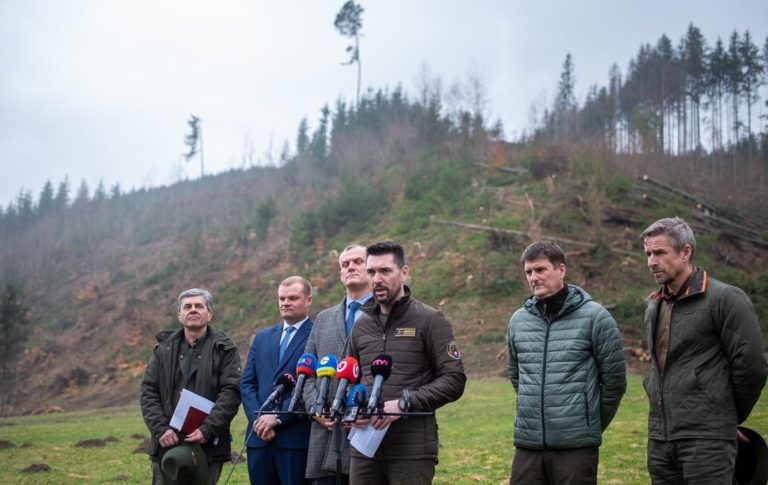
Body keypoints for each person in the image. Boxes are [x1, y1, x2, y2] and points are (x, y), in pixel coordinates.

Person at [641, 217, 767, 484]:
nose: (651, 261)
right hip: (660, 440)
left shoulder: (725, 299)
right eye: (648, 253)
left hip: (707, 442)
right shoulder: (654, 306)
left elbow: (752, 367)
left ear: (686, 252)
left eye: (660, 252)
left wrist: (724, 417)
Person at [506, 240, 626, 485]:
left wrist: (587, 422)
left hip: (576, 447)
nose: (534, 277)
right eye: (529, 272)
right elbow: (516, 375)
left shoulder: (596, 317)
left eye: (540, 270)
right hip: (529, 444)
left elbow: (615, 382)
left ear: (561, 270)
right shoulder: (518, 321)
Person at [347, 241, 467, 485]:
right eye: (371, 272)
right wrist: (352, 410)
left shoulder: (430, 320)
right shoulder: (360, 325)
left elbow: (454, 379)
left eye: (385, 271)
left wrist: (405, 403)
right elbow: (348, 378)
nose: (377, 279)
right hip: (364, 450)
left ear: (404, 272)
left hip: (411, 451)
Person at [140, 288, 242, 485]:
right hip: (166, 442)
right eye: (187, 307)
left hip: (208, 445)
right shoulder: (163, 349)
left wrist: (208, 429)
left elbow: (231, 392)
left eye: (199, 306)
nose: (193, 310)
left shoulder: (225, 349)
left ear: (209, 314)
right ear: (180, 315)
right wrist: (161, 429)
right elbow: (148, 391)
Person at [303, 243, 374, 485]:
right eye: (345, 264)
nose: (350, 267)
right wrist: (316, 409)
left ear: (372, 268)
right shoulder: (323, 318)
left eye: (357, 261)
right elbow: (307, 373)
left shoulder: (387, 312)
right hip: (325, 437)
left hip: (367, 435)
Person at [241, 276, 315, 485]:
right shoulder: (262, 337)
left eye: (292, 298)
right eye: (282, 298)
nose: (285, 303)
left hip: (294, 438)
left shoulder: (317, 335)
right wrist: (259, 418)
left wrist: (279, 416)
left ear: (308, 300)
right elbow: (247, 383)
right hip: (258, 438)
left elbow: (315, 386)